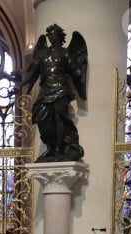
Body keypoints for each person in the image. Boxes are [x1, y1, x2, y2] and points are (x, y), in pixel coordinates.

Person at [22, 24, 88, 163]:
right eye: (48, 35)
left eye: (52, 34)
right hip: (45, 89)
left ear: (58, 36)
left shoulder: (65, 53)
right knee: (41, 117)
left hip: (61, 89)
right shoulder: (42, 53)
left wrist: (77, 71)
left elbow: (74, 69)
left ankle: (57, 150)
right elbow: (33, 72)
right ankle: (50, 147)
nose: (50, 37)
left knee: (59, 118)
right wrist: (20, 86)